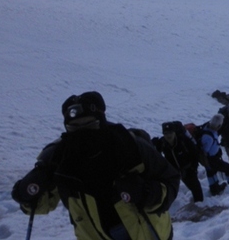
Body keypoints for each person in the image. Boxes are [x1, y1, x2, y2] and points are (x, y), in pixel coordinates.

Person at [11, 91, 179, 240]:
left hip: (147, 234)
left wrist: (149, 193)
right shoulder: (60, 159)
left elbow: (170, 179)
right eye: (74, 127)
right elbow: (43, 204)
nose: (82, 133)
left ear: (102, 121)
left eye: (90, 125)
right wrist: (27, 194)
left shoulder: (129, 146)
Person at [155, 121, 204, 202]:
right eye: (166, 133)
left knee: (195, 188)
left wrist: (193, 167)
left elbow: (195, 153)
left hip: (188, 169)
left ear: (174, 133)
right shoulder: (162, 143)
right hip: (175, 171)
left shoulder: (183, 141)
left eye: (170, 133)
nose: (168, 135)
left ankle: (199, 204)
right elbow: (155, 153)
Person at [198, 114, 229, 195]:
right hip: (211, 159)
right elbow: (205, 150)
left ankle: (214, 188)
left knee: (211, 172)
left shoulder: (209, 129)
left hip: (211, 158)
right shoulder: (208, 136)